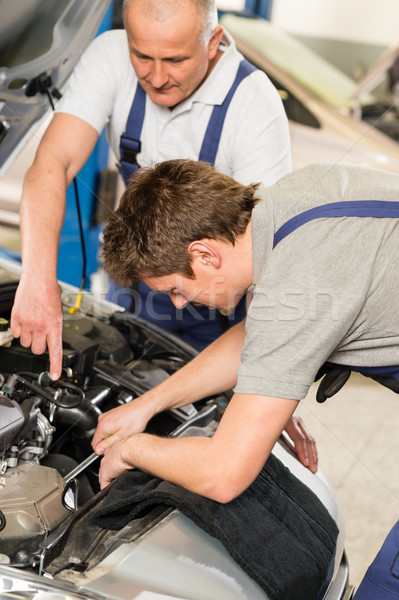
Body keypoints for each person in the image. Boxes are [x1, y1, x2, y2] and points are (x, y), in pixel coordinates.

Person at [10, 0, 292, 381]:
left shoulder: (253, 104)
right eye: (141, 56)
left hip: (220, 300)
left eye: (175, 60)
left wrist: (273, 375)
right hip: (139, 284)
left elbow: (266, 252)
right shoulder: (110, 55)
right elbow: (50, 164)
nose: (156, 77)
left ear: (213, 42)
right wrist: (37, 281)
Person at [91, 158, 399, 503]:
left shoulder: (295, 284)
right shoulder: (288, 200)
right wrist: (147, 405)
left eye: (175, 290)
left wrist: (132, 450)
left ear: (205, 255)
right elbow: (255, 335)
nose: (178, 304)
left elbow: (222, 474)